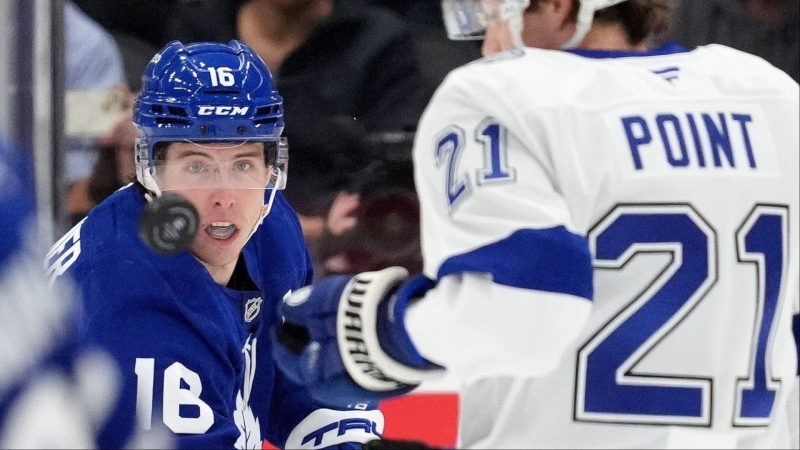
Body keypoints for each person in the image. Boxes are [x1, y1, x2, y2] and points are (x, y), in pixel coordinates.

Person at [270, 0, 800, 448]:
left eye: (495, 12)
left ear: (559, 6)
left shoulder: (501, 96)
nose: (487, 41)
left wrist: (382, 332)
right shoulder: (771, 95)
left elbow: (527, 311)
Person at [45, 40, 384, 449]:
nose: (225, 196)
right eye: (197, 165)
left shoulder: (271, 226)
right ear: (150, 169)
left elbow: (301, 385)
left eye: (243, 163)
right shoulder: (132, 297)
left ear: (271, 165)